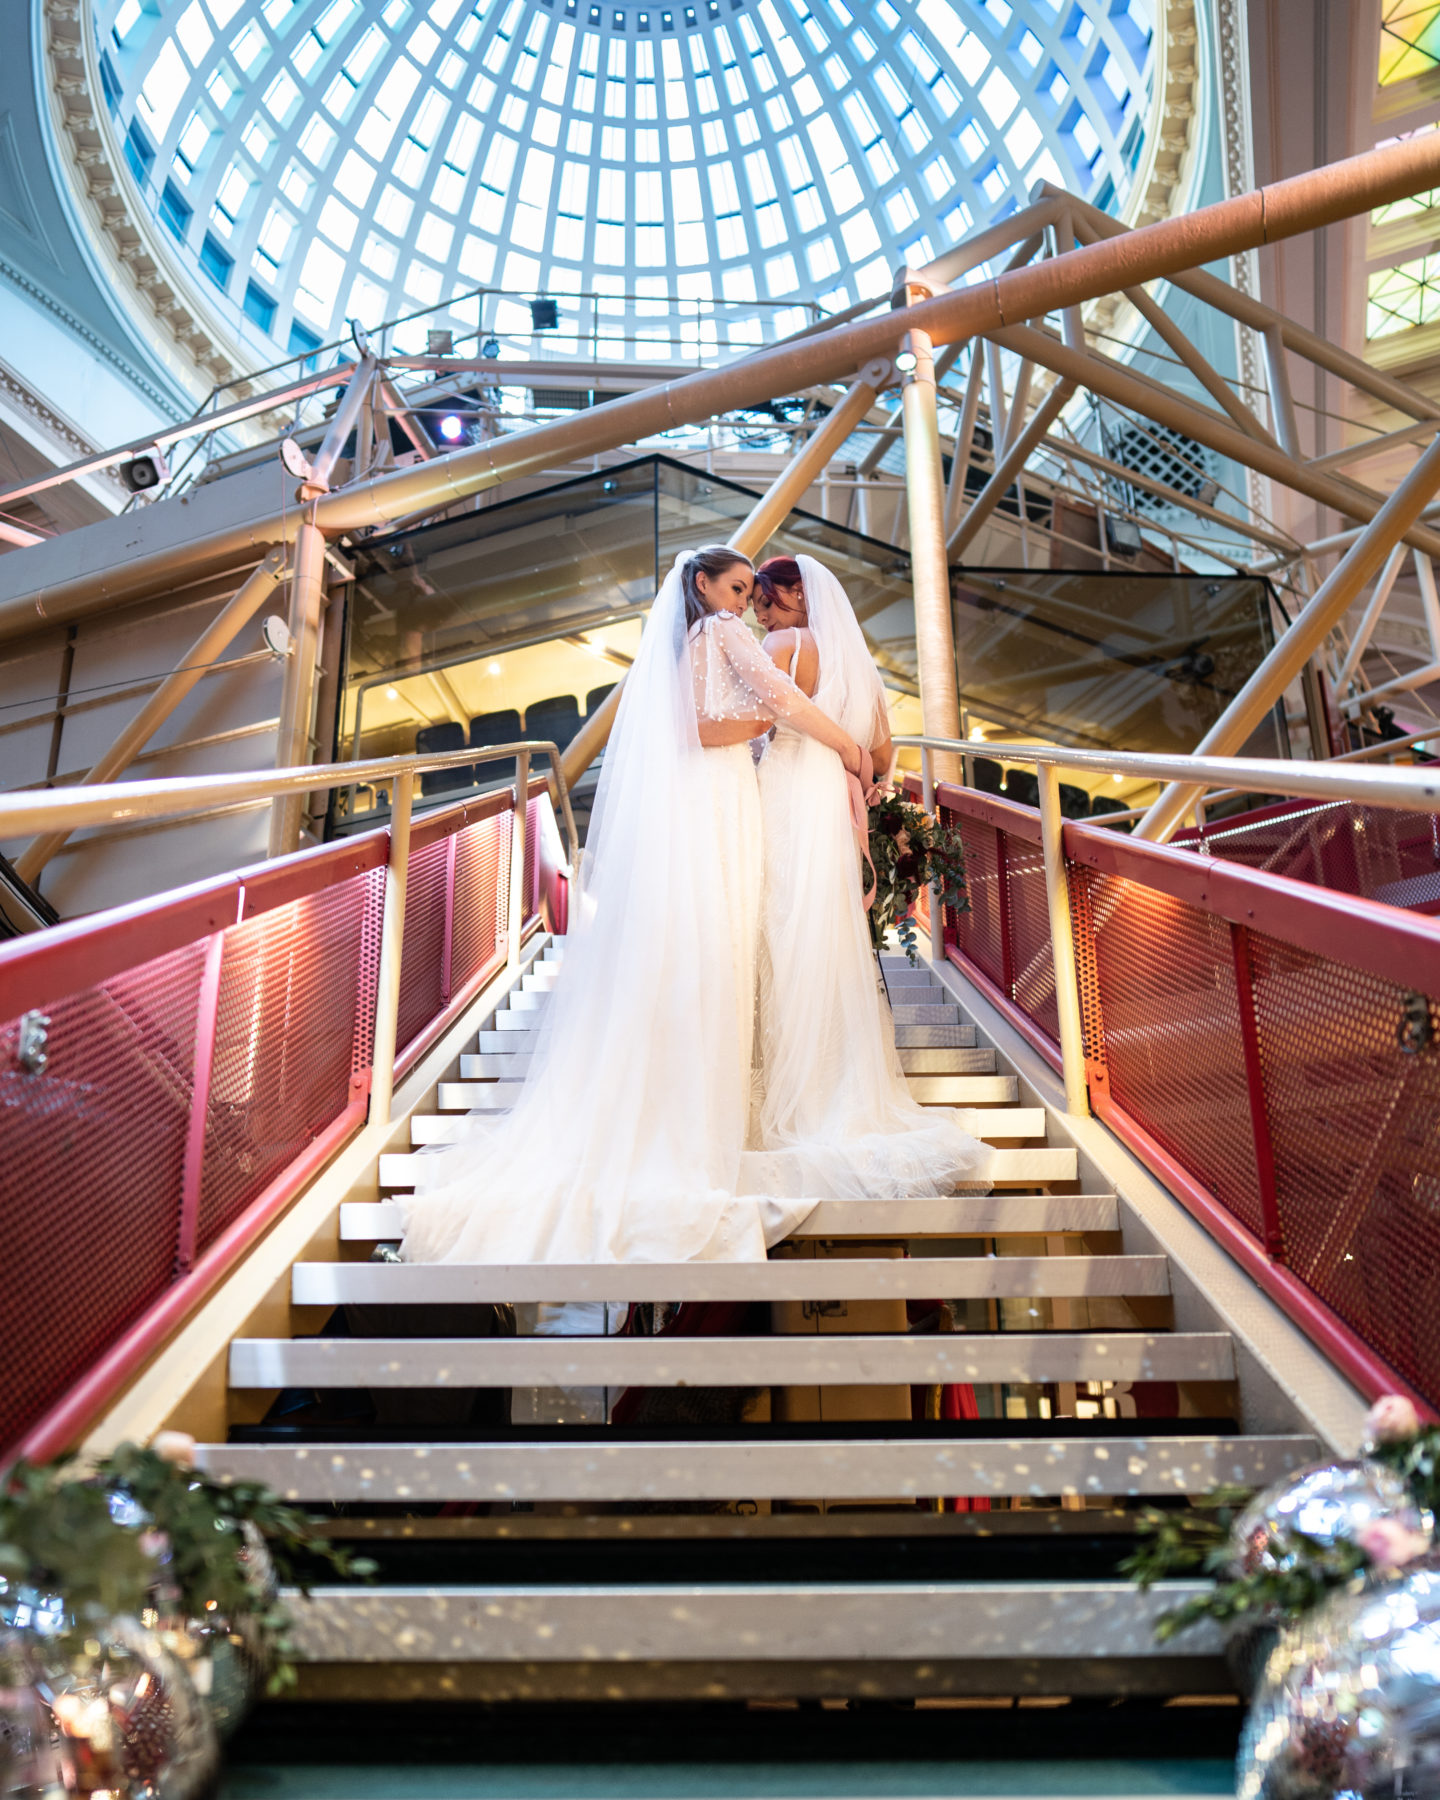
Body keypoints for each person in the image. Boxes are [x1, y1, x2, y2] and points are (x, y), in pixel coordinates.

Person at [400, 545, 866, 1266]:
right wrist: (848, 747)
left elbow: (699, 726)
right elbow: (783, 702)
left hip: (703, 798)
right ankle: (697, 1129)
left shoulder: (689, 645)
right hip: (719, 805)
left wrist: (752, 728)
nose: (744, 601)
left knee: (699, 957)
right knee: (720, 953)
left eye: (749, 592)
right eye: (735, 588)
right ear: (703, 585)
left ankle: (682, 1115)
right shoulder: (725, 634)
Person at [747, 553, 993, 1200]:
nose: (761, 615)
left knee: (774, 927)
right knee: (823, 939)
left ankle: (775, 1089)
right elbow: (884, 756)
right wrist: (861, 774)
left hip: (784, 791)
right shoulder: (859, 665)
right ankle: (835, 1088)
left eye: (768, 601)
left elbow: (756, 726)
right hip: (833, 801)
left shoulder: (782, 645)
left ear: (798, 596)